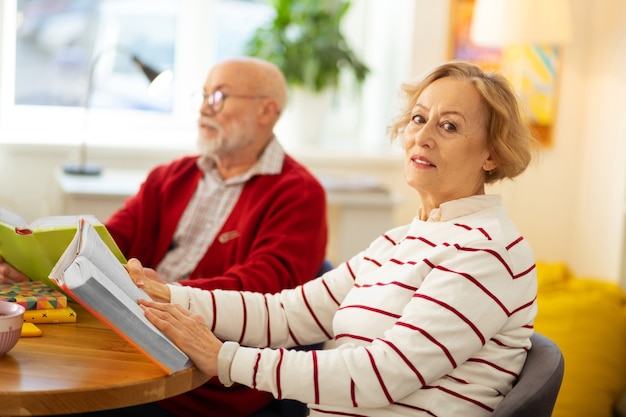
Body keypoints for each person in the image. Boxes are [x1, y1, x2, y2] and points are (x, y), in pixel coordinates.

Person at [126, 60, 540, 417]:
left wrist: (225, 359)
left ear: (492, 154)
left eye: (449, 125)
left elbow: (381, 374)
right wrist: (169, 296)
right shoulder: (400, 241)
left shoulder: (486, 251)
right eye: (418, 118)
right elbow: (287, 314)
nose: (423, 136)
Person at [0, 56, 328, 417]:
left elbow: (266, 287)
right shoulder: (170, 177)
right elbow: (108, 241)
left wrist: (167, 294)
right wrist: (35, 264)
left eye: (219, 97)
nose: (204, 108)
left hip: (203, 374)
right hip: (130, 337)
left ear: (267, 111)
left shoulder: (299, 194)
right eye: (202, 96)